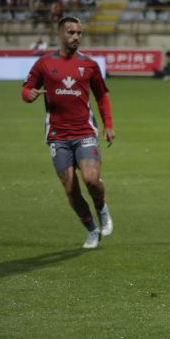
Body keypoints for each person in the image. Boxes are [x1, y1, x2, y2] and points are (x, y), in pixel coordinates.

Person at [20, 16, 115, 249]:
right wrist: (28, 95)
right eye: (72, 33)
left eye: (79, 33)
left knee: (91, 179)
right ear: (61, 34)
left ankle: (102, 208)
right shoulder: (44, 64)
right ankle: (91, 230)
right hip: (57, 135)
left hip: (84, 130)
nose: (76, 37)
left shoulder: (90, 65)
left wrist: (108, 124)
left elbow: (101, 95)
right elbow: (27, 87)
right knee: (71, 190)